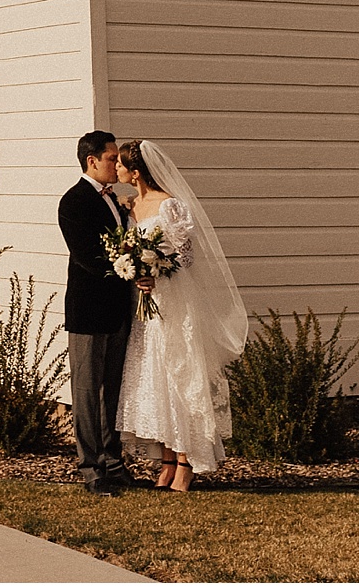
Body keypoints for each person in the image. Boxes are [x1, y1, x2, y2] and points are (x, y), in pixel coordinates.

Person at [114, 138, 249, 489]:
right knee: (153, 376)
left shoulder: (170, 205)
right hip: (147, 308)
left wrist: (156, 269)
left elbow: (187, 257)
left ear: (136, 170)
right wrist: (134, 270)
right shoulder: (132, 207)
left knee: (180, 374)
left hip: (174, 300)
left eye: (121, 164)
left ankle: (188, 462)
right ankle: (167, 461)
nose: (115, 168)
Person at [57, 129, 135, 494]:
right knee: (87, 391)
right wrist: (131, 265)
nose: (116, 164)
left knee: (113, 391)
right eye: (111, 158)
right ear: (92, 161)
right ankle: (91, 469)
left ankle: (114, 461)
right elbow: (88, 257)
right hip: (89, 311)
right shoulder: (74, 201)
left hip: (119, 310)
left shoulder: (116, 201)